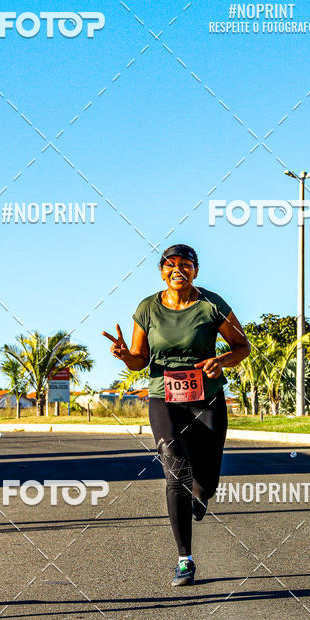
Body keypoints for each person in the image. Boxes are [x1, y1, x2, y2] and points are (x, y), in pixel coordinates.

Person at [103, 244, 250, 587]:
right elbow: (140, 360)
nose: (177, 270)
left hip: (207, 398)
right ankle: (185, 558)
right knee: (176, 469)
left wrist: (221, 361)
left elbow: (242, 346)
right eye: (170, 265)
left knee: (208, 477)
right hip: (163, 397)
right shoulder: (148, 308)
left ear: (195, 271)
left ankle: (203, 495)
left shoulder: (213, 305)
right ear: (161, 272)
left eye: (185, 265)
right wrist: (126, 355)